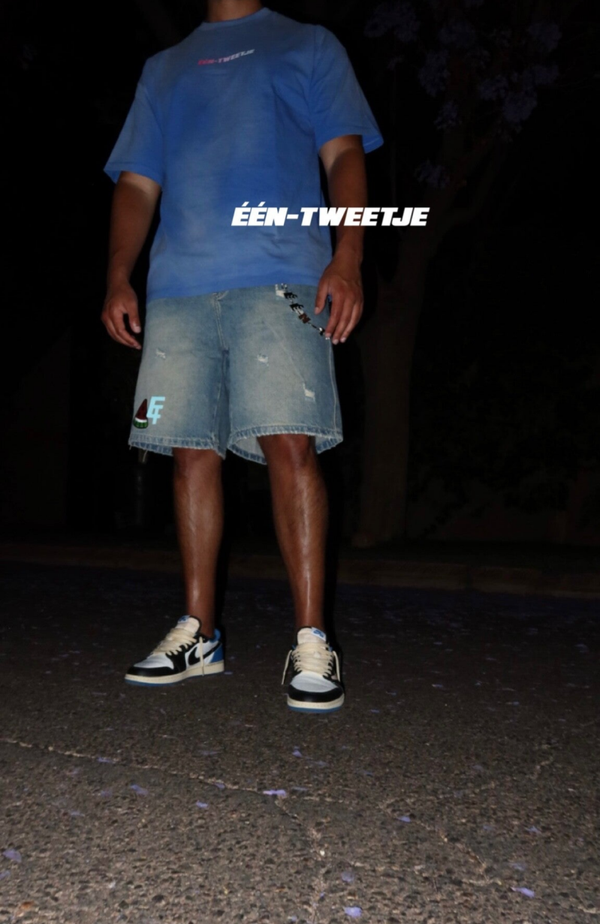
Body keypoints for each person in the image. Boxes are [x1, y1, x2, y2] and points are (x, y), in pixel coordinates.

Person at [101, 0, 383, 713]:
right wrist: (117, 275)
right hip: (179, 288)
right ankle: (199, 634)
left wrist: (348, 255)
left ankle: (312, 639)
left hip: (281, 273)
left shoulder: (308, 45)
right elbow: (137, 181)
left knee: (291, 444)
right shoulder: (163, 69)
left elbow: (344, 153)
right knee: (189, 451)